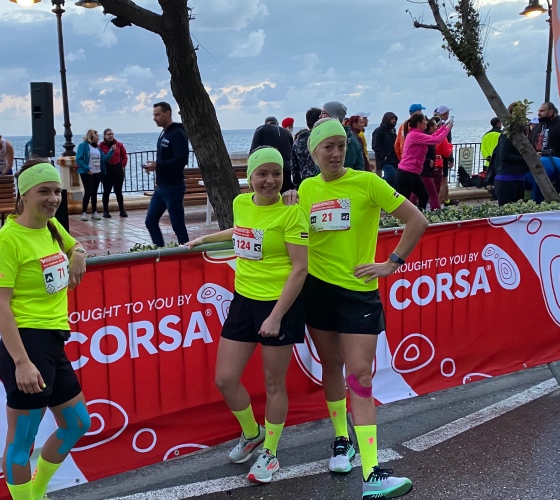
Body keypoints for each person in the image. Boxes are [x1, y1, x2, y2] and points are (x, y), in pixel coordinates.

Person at [296, 118, 427, 498]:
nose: (336, 153)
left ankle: (372, 471)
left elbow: (416, 221)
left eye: (341, 145)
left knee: (361, 376)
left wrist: (391, 263)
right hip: (317, 290)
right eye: (328, 147)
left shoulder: (368, 182)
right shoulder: (306, 189)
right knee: (331, 365)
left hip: (357, 293)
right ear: (314, 152)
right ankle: (342, 440)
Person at [186, 147, 309, 484]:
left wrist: (276, 316)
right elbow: (241, 231)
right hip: (243, 301)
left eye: (276, 174)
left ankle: (270, 452)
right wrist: (207, 238)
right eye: (262, 174)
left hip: (279, 304)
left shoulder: (291, 213)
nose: (270, 181)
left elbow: (300, 269)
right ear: (250, 176)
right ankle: (252, 433)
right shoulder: (241, 203)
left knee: (273, 383)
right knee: (225, 379)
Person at [0, 159, 89, 500]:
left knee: (77, 424)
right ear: (24, 195)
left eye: (57, 191)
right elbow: (0, 305)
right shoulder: (7, 241)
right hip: (27, 345)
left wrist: (78, 254)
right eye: (44, 191)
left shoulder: (51, 226)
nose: (53, 198)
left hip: (53, 342)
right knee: (21, 441)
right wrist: (21, 362)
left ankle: (38, 491)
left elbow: (73, 245)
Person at [143, 102, 190, 246]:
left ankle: (186, 250)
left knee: (177, 225)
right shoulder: (164, 133)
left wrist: (158, 165)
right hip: (161, 187)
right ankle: (161, 251)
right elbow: (165, 160)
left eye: (157, 114)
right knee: (150, 221)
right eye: (154, 115)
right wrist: (155, 167)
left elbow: (181, 160)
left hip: (174, 187)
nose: (154, 118)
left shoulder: (177, 133)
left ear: (167, 113)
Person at [396, 114, 452, 210]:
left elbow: (433, 136)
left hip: (414, 173)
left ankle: (418, 215)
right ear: (419, 123)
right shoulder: (415, 135)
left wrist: (444, 127)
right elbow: (436, 140)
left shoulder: (419, 134)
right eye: (424, 121)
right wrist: (448, 129)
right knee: (404, 202)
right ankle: (405, 217)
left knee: (424, 196)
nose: (426, 122)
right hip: (406, 173)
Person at [489, 103, 529, 206]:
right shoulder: (507, 133)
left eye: (522, 113)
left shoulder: (522, 133)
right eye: (516, 113)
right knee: (507, 211)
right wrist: (524, 158)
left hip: (519, 177)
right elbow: (505, 155)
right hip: (506, 178)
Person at [76, 129, 115, 221]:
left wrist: (111, 151)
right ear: (92, 136)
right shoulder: (83, 145)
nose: (98, 137)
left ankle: (94, 212)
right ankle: (84, 213)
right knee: (88, 192)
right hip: (87, 173)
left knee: (94, 193)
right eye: (96, 135)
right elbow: (79, 159)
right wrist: (87, 169)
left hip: (97, 172)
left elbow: (104, 159)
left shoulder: (97, 148)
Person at [249, 116, 295, 192]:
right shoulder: (287, 132)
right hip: (286, 167)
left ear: (266, 123)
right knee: (285, 194)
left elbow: (253, 152)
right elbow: (292, 153)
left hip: (268, 167)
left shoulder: (261, 129)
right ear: (277, 123)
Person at [320, 102, 365, 171]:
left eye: (323, 113)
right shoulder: (350, 137)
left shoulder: (347, 140)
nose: (320, 116)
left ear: (333, 116)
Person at [99, 128, 129, 218]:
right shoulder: (101, 146)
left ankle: (122, 210)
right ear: (105, 136)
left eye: (112, 134)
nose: (111, 136)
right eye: (109, 134)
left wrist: (122, 165)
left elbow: (124, 156)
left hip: (117, 169)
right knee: (106, 191)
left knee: (118, 191)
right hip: (107, 170)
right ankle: (106, 211)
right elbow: (100, 158)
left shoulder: (119, 145)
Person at [291, 107, 323, 188]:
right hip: (322, 181)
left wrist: (297, 186)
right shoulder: (322, 139)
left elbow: (294, 167)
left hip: (305, 183)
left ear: (307, 122)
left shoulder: (297, 142)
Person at [433, 105, 456, 206]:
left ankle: (445, 200)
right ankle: (438, 204)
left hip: (436, 157)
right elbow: (447, 143)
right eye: (447, 113)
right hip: (442, 157)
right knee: (443, 181)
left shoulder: (433, 125)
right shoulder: (444, 127)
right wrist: (451, 158)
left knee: (440, 182)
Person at [419, 117, 444, 210]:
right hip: (424, 170)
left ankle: (409, 209)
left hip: (424, 170)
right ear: (430, 127)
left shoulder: (428, 137)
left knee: (416, 193)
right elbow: (419, 153)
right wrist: (428, 160)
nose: (436, 128)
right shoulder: (426, 138)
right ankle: (436, 211)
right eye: (435, 126)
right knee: (433, 193)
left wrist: (434, 156)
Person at [372, 112, 399, 185]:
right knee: (391, 175)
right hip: (385, 160)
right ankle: (378, 186)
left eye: (395, 119)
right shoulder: (379, 131)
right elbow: (375, 145)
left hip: (394, 160)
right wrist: (384, 156)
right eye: (392, 119)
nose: (394, 121)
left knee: (396, 179)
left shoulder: (393, 131)